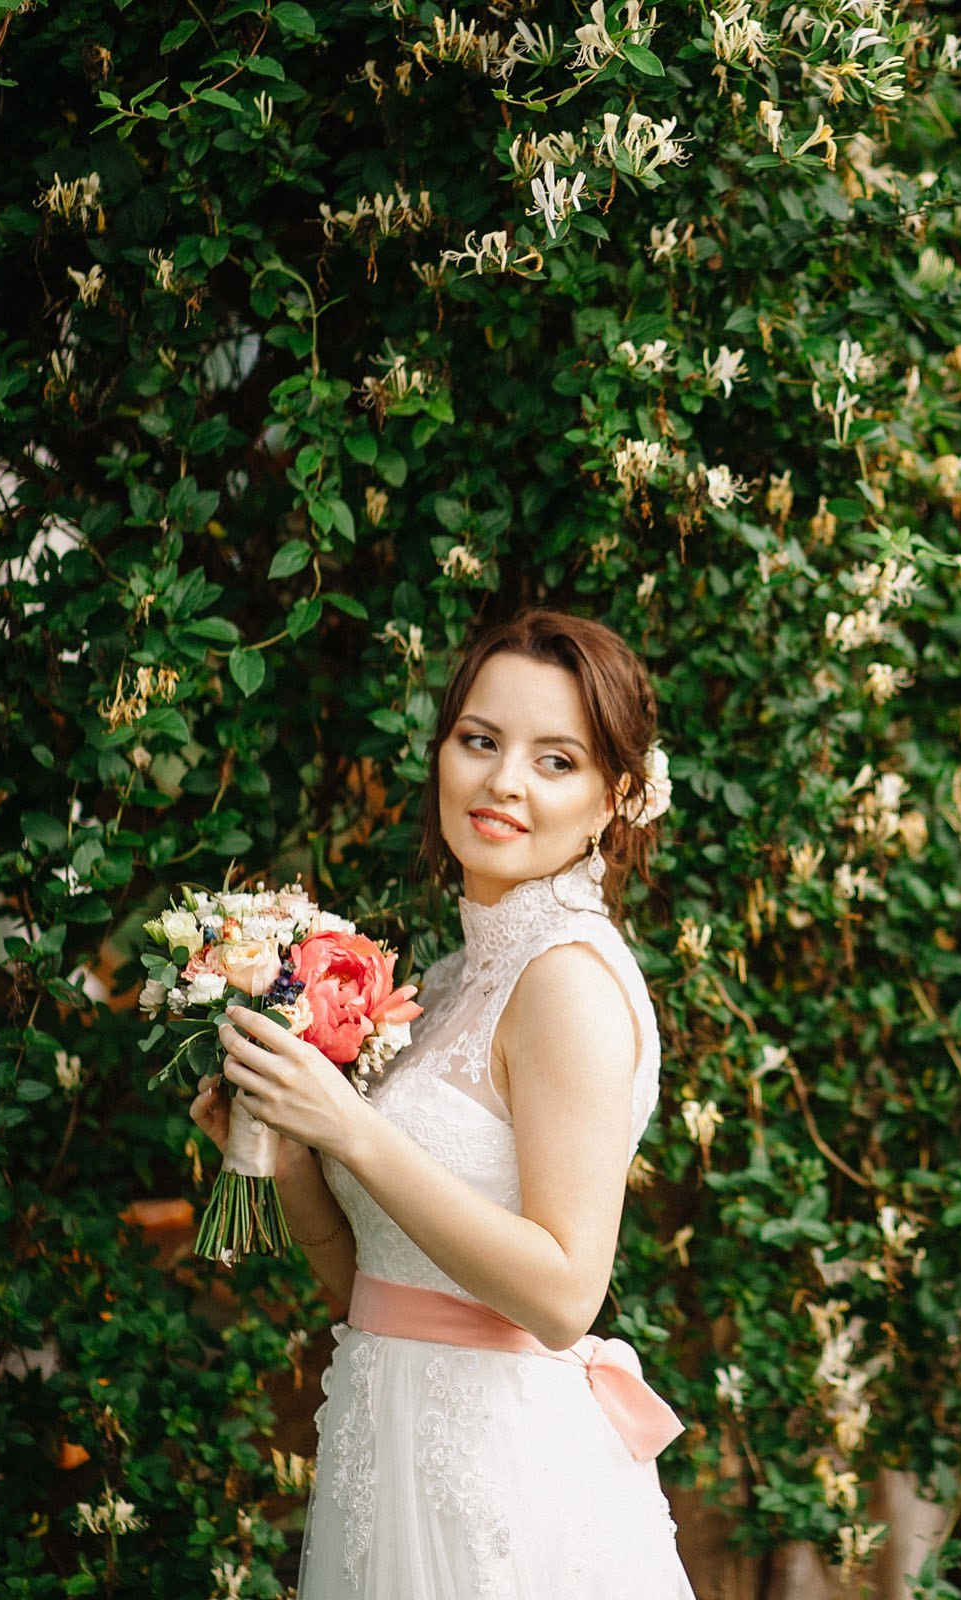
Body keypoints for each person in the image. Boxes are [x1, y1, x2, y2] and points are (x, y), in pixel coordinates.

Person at [189, 607, 696, 1597]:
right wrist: (296, 1149)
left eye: (556, 760)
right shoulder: (461, 976)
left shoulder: (567, 983)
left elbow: (561, 1296)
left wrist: (351, 1126)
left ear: (615, 798)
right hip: (388, 1454)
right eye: (480, 740)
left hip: (505, 1487)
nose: (503, 780)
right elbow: (371, 1288)